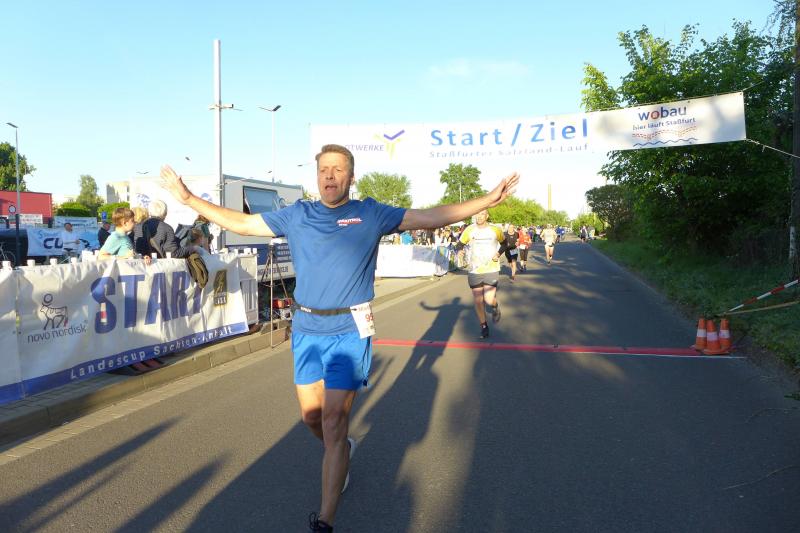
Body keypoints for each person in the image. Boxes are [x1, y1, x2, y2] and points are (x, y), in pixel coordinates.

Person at [159, 144, 518, 532]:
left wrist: (487, 200)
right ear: (317, 177)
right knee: (311, 418)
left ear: (351, 177)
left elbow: (430, 217)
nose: (330, 175)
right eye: (324, 170)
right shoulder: (298, 215)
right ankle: (343, 448)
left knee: (333, 420)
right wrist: (188, 198)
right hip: (307, 329)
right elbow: (243, 224)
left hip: (349, 330)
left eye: (338, 169)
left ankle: (325, 520)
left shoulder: (371, 213)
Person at [455, 210, 508, 339]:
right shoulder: (469, 229)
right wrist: (460, 250)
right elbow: (459, 244)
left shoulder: (495, 230)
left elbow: (504, 244)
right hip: (475, 269)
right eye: (477, 214)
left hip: (491, 268)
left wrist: (498, 254)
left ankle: (495, 305)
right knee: (478, 300)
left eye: (482, 214)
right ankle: (484, 326)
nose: (479, 216)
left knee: (488, 299)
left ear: (487, 216)